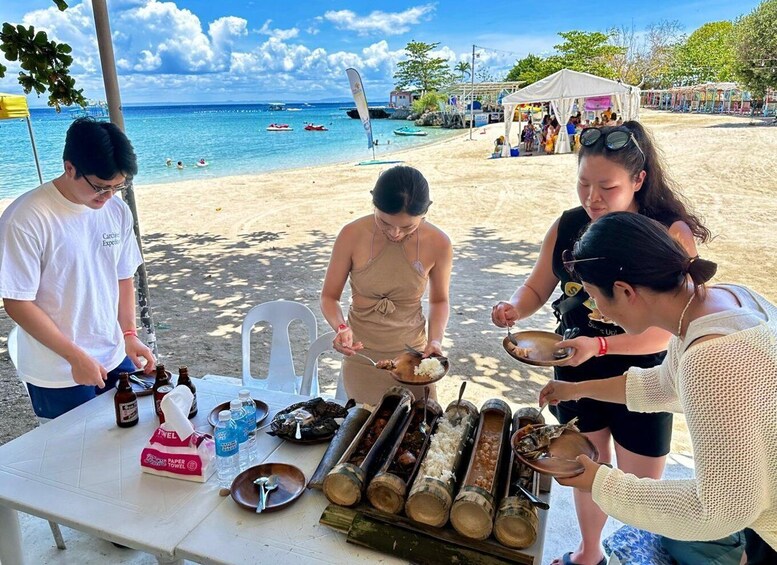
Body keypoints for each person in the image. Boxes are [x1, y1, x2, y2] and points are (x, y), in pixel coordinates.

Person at [491, 121, 711, 565]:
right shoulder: (570, 226)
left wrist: (602, 346)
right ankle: (589, 553)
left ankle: (634, 553)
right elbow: (536, 287)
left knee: (640, 484)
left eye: (606, 187)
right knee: (583, 468)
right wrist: (516, 307)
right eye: (583, 183)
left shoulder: (666, 233)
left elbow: (672, 324)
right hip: (574, 363)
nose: (592, 199)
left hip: (647, 372)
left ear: (638, 180)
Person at [539, 212, 777, 564]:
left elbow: (719, 511)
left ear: (624, 291)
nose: (597, 312)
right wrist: (577, 390)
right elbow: (665, 386)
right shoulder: (721, 300)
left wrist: (601, 483)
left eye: (594, 297)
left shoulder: (711, 358)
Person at [0, 117, 156, 420]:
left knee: (130, 439)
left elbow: (124, 277)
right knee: (77, 460)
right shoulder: (26, 218)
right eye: (100, 186)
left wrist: (129, 333)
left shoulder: (116, 210)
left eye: (118, 186)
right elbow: (17, 303)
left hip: (113, 354)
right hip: (57, 368)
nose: (108, 196)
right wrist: (74, 357)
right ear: (69, 167)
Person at [320, 166, 453, 404]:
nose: (395, 234)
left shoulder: (439, 243)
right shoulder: (351, 234)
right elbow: (329, 297)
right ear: (374, 204)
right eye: (385, 222)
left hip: (412, 358)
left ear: (424, 213)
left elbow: (439, 300)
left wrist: (435, 340)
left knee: (418, 427)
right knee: (363, 427)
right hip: (362, 355)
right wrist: (340, 327)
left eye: (407, 227)